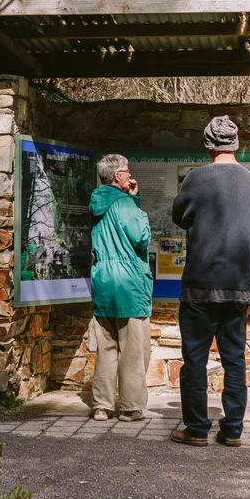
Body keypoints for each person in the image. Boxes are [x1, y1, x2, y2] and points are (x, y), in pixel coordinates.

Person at [169, 116, 250, 447]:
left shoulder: (196, 179)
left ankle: (196, 430)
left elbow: (179, 215)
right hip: (238, 287)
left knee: (195, 360)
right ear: (236, 144)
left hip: (198, 286)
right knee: (234, 359)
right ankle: (232, 430)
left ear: (208, 145)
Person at [88, 153, 153, 422]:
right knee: (133, 351)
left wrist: (132, 199)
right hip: (128, 285)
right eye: (127, 170)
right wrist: (139, 208)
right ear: (118, 176)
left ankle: (101, 406)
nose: (130, 173)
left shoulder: (98, 202)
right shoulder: (124, 203)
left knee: (106, 348)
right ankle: (130, 407)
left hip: (103, 282)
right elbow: (141, 236)